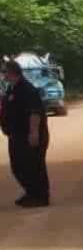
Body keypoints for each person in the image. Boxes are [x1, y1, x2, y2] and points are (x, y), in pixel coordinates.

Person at [2, 58, 49, 206]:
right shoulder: (12, 88)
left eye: (4, 72)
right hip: (16, 136)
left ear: (12, 72)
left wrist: (33, 133)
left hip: (29, 135)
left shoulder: (27, 89)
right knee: (19, 166)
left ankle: (40, 197)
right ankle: (31, 192)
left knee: (33, 165)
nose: (3, 75)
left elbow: (34, 112)